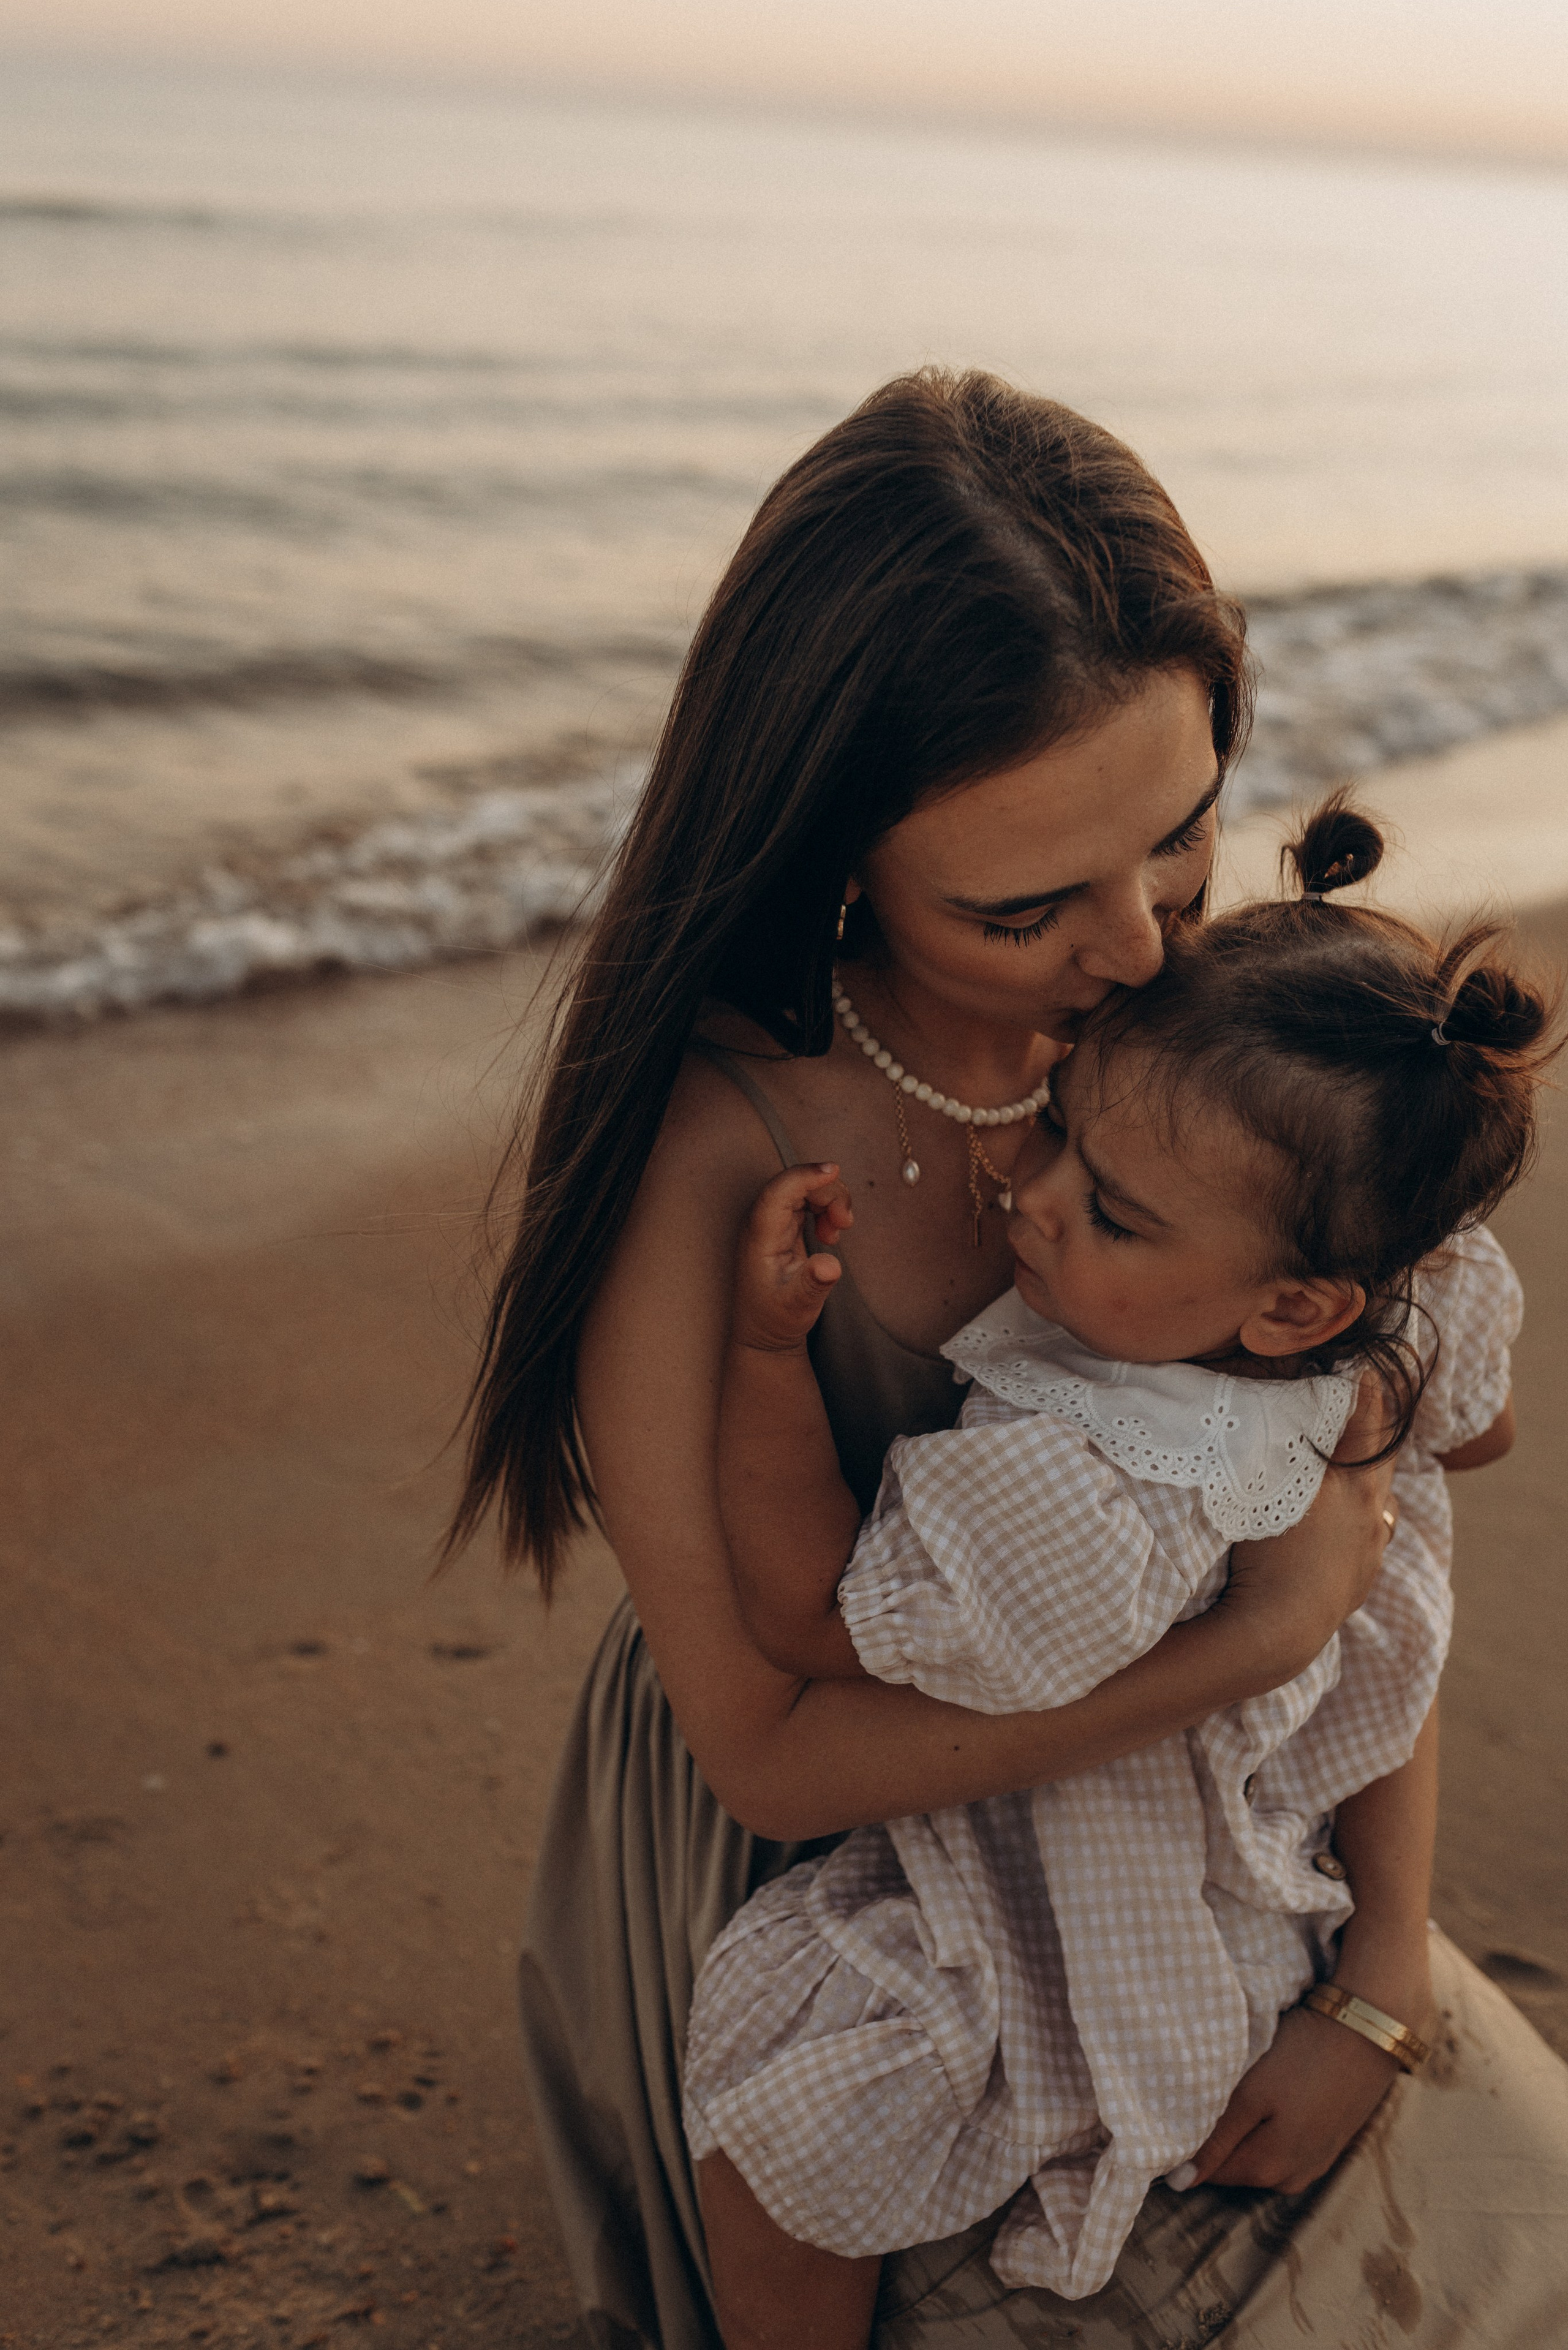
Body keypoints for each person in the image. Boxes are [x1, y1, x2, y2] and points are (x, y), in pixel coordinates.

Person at [449, 372, 1568, 2349]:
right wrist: (1250, 1642)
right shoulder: (714, 1160)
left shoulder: (1217, 1053)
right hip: (848, 1886)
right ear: (832, 851)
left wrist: (1382, 1971)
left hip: (1203, 1849)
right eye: (1025, 905)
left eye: (1186, 835)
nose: (1141, 949)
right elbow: (772, 1745)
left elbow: (1374, 1550)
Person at [684, 798, 1553, 2339]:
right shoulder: (1397, 1305)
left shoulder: (1077, 1469)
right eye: (1063, 1130)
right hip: (1285, 1850)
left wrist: (761, 1359)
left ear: (1288, 1309)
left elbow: (811, 1617)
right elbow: (1467, 1446)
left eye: (1113, 1210)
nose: (1031, 1193)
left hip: (1074, 1891)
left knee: (792, 2130)